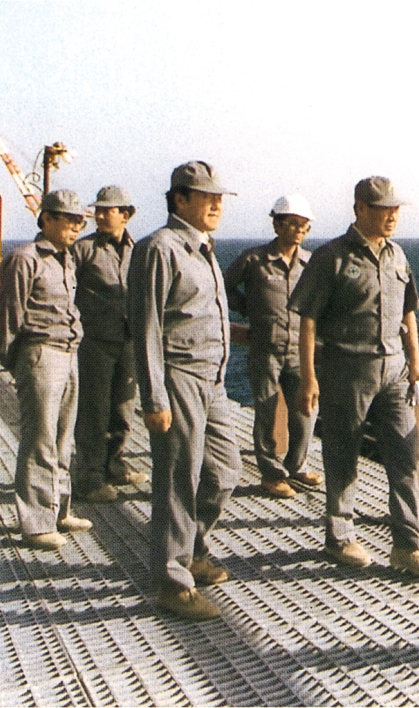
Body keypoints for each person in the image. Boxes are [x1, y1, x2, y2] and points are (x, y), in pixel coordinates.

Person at [289, 176, 419, 578]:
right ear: (360, 209)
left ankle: (408, 547)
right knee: (343, 455)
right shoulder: (332, 257)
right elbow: (307, 321)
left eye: (395, 209)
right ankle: (340, 537)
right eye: (382, 209)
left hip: (395, 372)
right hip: (347, 370)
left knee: (405, 456)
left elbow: (409, 311)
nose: (392, 216)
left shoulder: (398, 256)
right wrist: (309, 378)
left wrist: (417, 363)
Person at [128, 161, 242, 620]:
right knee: (178, 480)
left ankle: (193, 549)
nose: (216, 204)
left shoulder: (203, 249)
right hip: (178, 378)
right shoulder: (159, 248)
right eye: (206, 196)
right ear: (179, 200)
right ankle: (172, 582)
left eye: (220, 197)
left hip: (211, 381)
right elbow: (147, 326)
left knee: (225, 471)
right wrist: (154, 399)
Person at [0, 190, 92, 551]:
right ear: (46, 218)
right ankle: (36, 524)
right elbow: (10, 316)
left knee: (64, 438)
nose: (75, 226)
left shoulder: (66, 260)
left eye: (79, 221)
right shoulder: (25, 258)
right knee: (40, 440)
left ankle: (59, 511)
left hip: (69, 353)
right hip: (40, 354)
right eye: (68, 219)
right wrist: (18, 363)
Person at [224, 194, 322, 498]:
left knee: (306, 410)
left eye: (304, 226)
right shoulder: (254, 259)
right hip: (265, 350)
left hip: (299, 351)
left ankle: (297, 466)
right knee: (266, 411)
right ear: (276, 224)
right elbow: (224, 285)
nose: (298, 231)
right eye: (292, 224)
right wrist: (247, 309)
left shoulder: (311, 263)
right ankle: (270, 474)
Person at [72, 186, 148, 503]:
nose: (100, 215)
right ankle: (88, 480)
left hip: (129, 341)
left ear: (126, 215)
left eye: (108, 210)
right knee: (93, 412)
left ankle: (114, 466)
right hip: (95, 343)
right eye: (98, 210)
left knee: (123, 410)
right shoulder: (83, 250)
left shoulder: (140, 251)